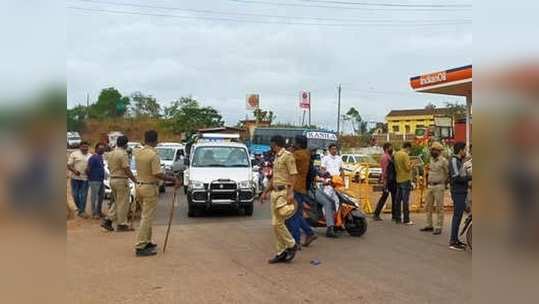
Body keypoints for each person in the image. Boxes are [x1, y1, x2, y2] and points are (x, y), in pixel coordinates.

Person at [134, 130, 181, 257]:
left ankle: (147, 241)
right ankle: (140, 245)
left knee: (146, 215)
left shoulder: (138, 152)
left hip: (139, 186)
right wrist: (173, 179)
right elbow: (157, 173)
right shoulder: (153, 155)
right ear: (155, 140)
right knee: (147, 217)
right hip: (149, 187)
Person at [261, 135, 298, 264]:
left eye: (271, 144)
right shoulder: (276, 157)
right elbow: (274, 177)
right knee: (276, 224)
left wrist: (290, 192)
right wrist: (265, 192)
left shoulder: (288, 156)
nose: (270, 146)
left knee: (277, 223)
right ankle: (281, 252)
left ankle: (292, 244)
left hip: (283, 192)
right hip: (275, 192)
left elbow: (293, 175)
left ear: (275, 144)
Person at [285, 135, 318, 248]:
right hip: (301, 187)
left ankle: (296, 241)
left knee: (293, 216)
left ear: (298, 144)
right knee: (298, 215)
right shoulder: (306, 153)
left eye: (294, 142)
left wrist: (289, 150)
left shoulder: (298, 155)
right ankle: (309, 233)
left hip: (296, 187)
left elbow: (286, 158)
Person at [101, 136, 138, 232]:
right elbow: (126, 168)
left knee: (117, 202)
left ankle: (108, 220)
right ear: (125, 144)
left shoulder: (111, 153)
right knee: (123, 203)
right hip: (121, 180)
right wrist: (134, 179)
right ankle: (122, 224)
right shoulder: (123, 154)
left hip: (112, 179)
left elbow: (108, 167)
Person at [420, 142, 449, 235]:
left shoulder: (444, 161)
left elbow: (448, 173)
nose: (432, 151)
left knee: (439, 208)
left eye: (433, 150)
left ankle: (439, 227)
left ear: (439, 151)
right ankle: (429, 225)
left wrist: (444, 182)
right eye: (431, 149)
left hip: (439, 186)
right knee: (428, 207)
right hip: (430, 186)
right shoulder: (431, 159)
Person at [448, 142, 471, 251]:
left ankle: (456, 239)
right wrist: (470, 177)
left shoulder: (458, 160)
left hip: (461, 191)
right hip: (457, 192)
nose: (465, 151)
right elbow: (456, 177)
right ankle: (453, 241)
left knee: (459, 215)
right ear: (460, 150)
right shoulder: (453, 160)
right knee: (457, 216)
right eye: (464, 149)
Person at [319, 143, 342, 237]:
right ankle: (327, 222)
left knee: (337, 202)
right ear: (329, 150)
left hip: (338, 184)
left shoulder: (339, 158)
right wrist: (326, 177)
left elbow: (341, 170)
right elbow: (322, 170)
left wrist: (342, 180)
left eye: (335, 149)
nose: (334, 151)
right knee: (327, 202)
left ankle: (336, 221)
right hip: (328, 183)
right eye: (332, 149)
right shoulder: (325, 158)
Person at [373, 143, 397, 221]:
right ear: (387, 149)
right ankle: (377, 214)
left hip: (389, 180)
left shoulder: (388, 157)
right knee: (386, 197)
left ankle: (393, 215)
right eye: (390, 148)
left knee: (391, 197)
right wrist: (384, 181)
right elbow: (385, 170)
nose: (392, 149)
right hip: (388, 180)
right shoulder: (385, 157)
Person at [67, 141, 91, 218]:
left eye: (86, 147)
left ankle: (82, 211)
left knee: (84, 195)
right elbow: (69, 165)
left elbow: (92, 167)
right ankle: (79, 208)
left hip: (85, 178)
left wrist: (89, 170)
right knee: (75, 195)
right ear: (80, 147)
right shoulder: (74, 154)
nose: (85, 148)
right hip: (75, 178)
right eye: (83, 146)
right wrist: (75, 171)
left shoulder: (90, 156)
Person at [393, 142, 413, 225]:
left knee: (398, 200)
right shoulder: (405, 155)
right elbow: (407, 168)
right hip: (406, 179)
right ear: (408, 147)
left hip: (398, 178)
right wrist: (412, 164)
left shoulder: (396, 154)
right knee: (405, 201)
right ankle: (406, 219)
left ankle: (397, 218)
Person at [87, 143, 106, 219]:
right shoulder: (93, 158)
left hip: (101, 180)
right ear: (96, 149)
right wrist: (91, 178)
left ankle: (99, 211)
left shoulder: (100, 157)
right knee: (94, 197)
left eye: (103, 148)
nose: (102, 150)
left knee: (101, 196)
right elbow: (88, 169)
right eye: (100, 148)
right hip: (94, 180)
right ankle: (94, 213)